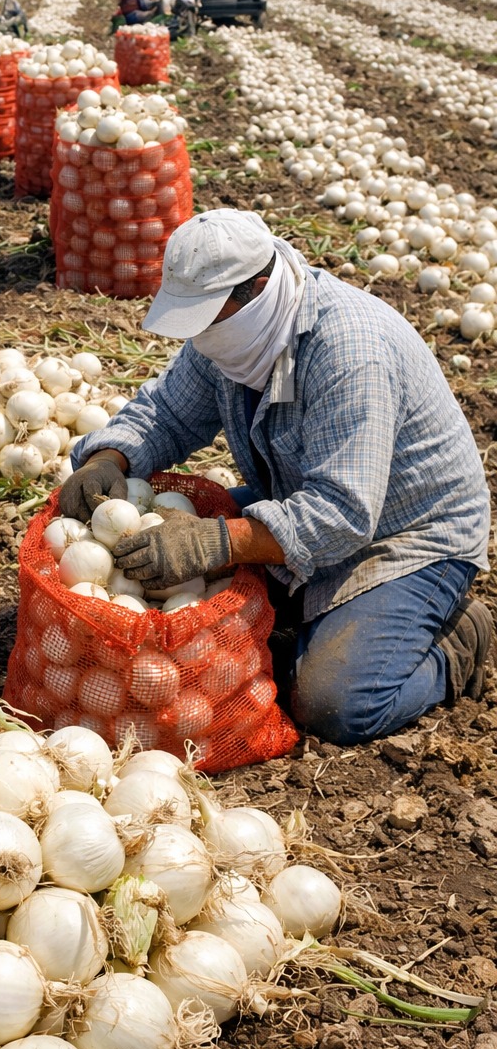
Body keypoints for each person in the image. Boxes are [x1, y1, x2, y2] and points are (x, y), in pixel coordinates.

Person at [59, 209, 492, 747]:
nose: (199, 335)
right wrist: (108, 459)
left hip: (404, 535)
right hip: (300, 503)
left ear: (256, 288)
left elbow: (344, 514)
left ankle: (455, 644)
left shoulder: (347, 348)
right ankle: (309, 607)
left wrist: (217, 542)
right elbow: (168, 412)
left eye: (207, 317)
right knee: (158, 560)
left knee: (332, 702)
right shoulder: (236, 334)